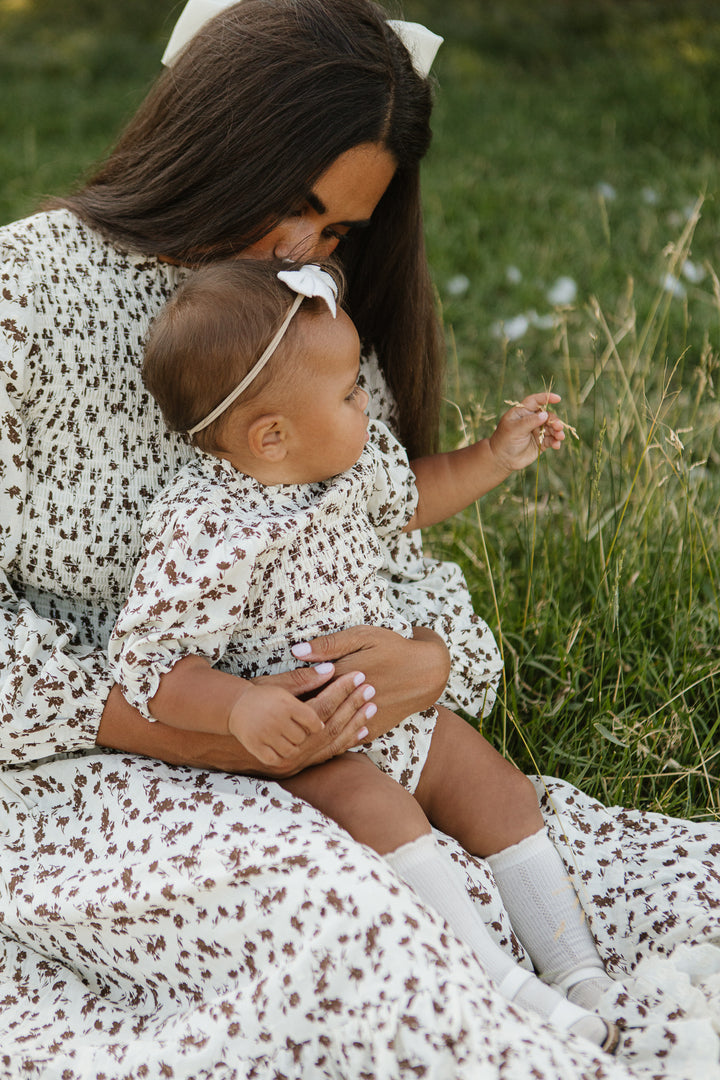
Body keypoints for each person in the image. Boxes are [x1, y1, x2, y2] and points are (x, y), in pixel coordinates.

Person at [0, 0, 718, 1076]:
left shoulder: (304, 317)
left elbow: (384, 542)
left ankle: (567, 984)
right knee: (342, 921)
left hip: (336, 739)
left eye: (337, 232)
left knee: (638, 879)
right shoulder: (25, 296)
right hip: (90, 774)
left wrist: (426, 664)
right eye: (295, 207)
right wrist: (214, 728)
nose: (306, 253)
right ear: (216, 140)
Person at [109, 257, 618, 1051]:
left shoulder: (347, 467)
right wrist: (241, 706)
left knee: (499, 791)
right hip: (314, 744)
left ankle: (577, 966)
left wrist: (495, 455)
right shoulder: (205, 529)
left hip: (397, 710)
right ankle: (497, 982)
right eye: (348, 392)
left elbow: (415, 498)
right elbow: (152, 667)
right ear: (270, 436)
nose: (365, 401)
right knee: (391, 820)